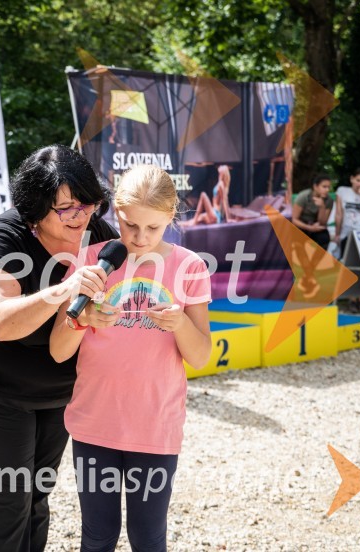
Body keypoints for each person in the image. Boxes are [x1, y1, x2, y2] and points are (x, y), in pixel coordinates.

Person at [0, 145, 120, 551]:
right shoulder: (3, 238)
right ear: (36, 208)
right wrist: (63, 290)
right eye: (66, 208)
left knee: (38, 495)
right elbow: (1, 323)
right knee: (9, 498)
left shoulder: (99, 237)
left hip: (57, 392)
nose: (82, 215)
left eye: (88, 203)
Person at [49, 164, 212, 552]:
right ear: (115, 213)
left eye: (153, 228)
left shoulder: (189, 266)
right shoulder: (86, 261)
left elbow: (201, 355)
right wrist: (82, 318)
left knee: (148, 536)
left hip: (155, 427)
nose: (139, 238)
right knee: (98, 535)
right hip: (94, 424)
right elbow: (58, 351)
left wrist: (179, 325)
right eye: (129, 225)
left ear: (171, 216)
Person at [334, 167, 360, 312]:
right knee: (349, 267)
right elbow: (339, 214)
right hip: (348, 234)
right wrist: (337, 233)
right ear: (352, 179)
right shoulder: (342, 191)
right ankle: (352, 300)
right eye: (358, 180)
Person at [291, 173, 334, 250]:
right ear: (315, 187)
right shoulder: (304, 196)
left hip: (316, 225)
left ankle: (316, 261)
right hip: (302, 224)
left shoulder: (329, 200)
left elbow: (323, 223)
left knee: (324, 238)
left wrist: (322, 207)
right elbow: (294, 219)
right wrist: (309, 228)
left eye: (328, 187)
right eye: (324, 187)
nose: (327, 190)